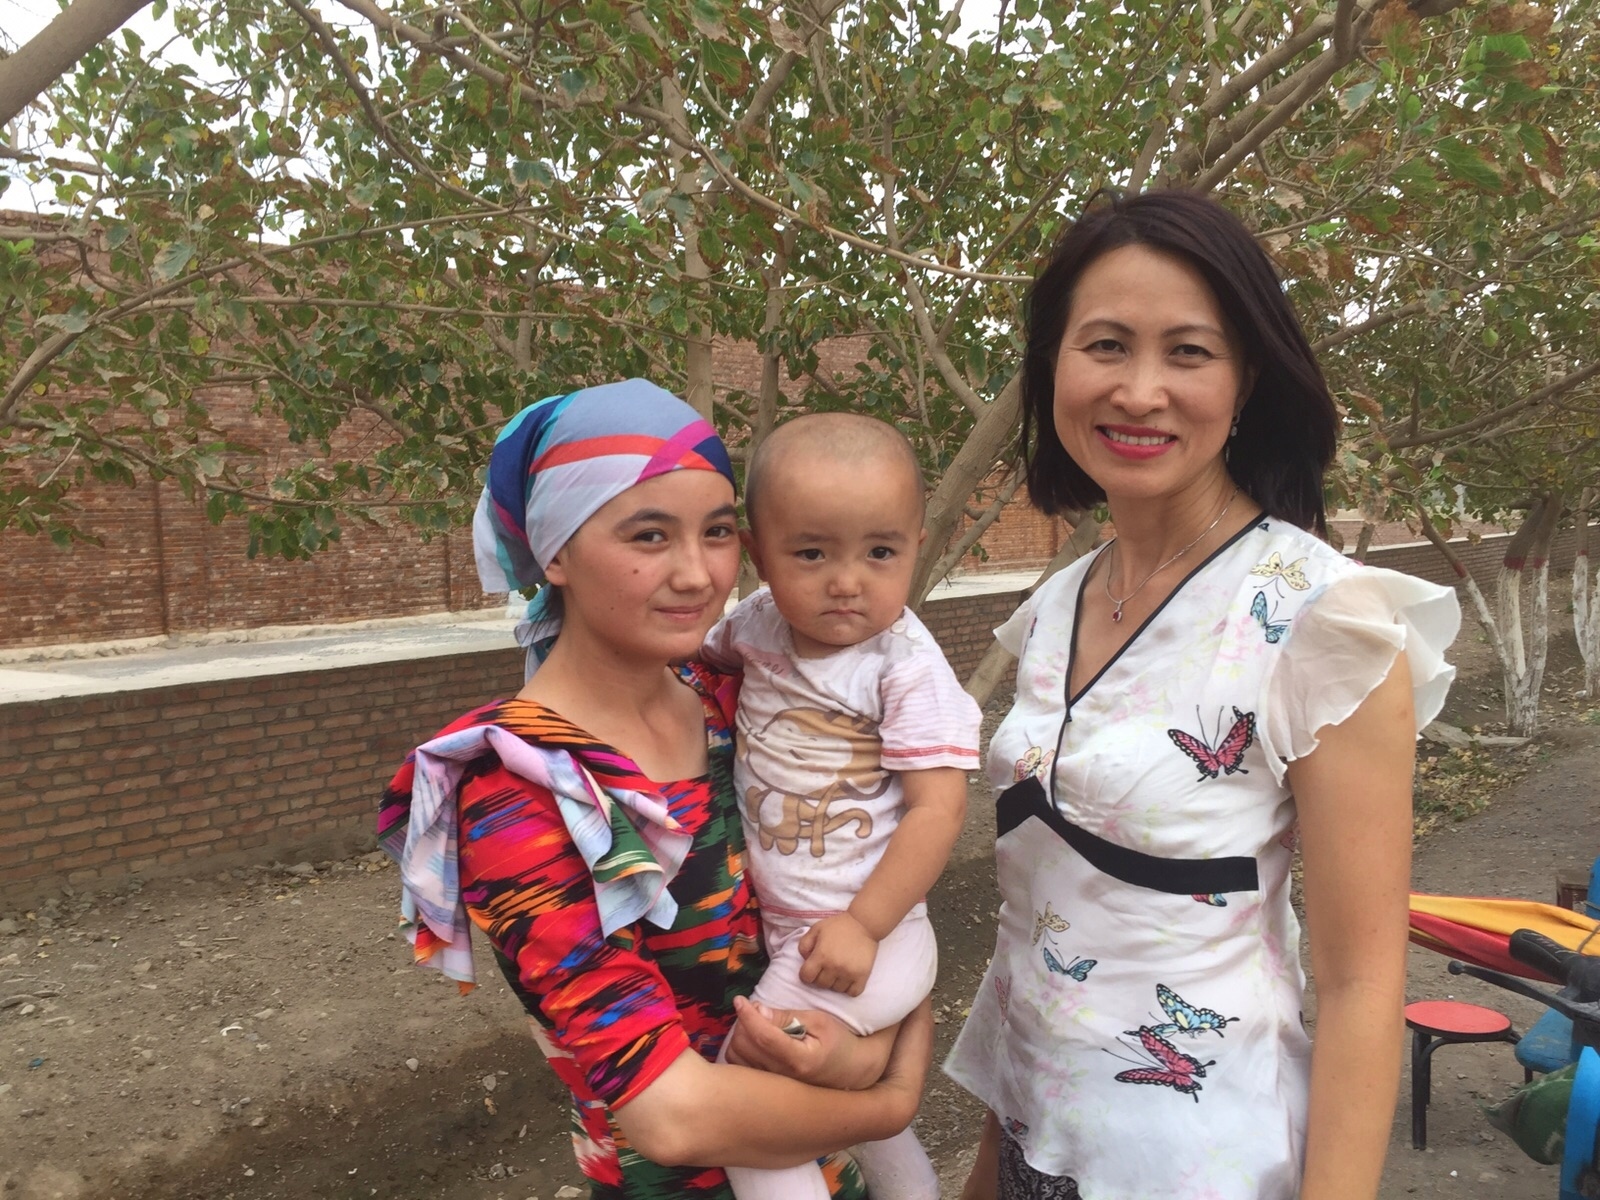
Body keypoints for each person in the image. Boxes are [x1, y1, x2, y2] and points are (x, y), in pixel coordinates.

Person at [943, 191, 1460, 1200]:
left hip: (1195, 1165)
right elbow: (1040, 931)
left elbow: (1362, 983)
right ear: (1052, 363)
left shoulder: (1323, 620)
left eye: (1187, 351)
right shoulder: (1054, 605)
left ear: (1246, 378)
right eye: (1104, 345)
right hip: (1033, 1145)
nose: (1140, 390)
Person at [376, 380, 934, 1200]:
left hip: (831, 1165)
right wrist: (886, 1101)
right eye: (649, 534)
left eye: (716, 534)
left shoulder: (731, 702)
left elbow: (869, 862)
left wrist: (869, 1049)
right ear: (555, 552)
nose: (697, 573)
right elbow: (670, 1115)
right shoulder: (520, 790)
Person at [701, 414, 983, 1200]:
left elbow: (939, 810)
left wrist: (864, 925)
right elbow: (695, 664)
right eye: (812, 553)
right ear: (758, 555)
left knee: (748, 1107)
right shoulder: (755, 627)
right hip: (802, 932)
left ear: (915, 546)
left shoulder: (905, 668)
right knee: (844, 1107)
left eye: (880, 552)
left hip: (866, 937)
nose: (847, 580)